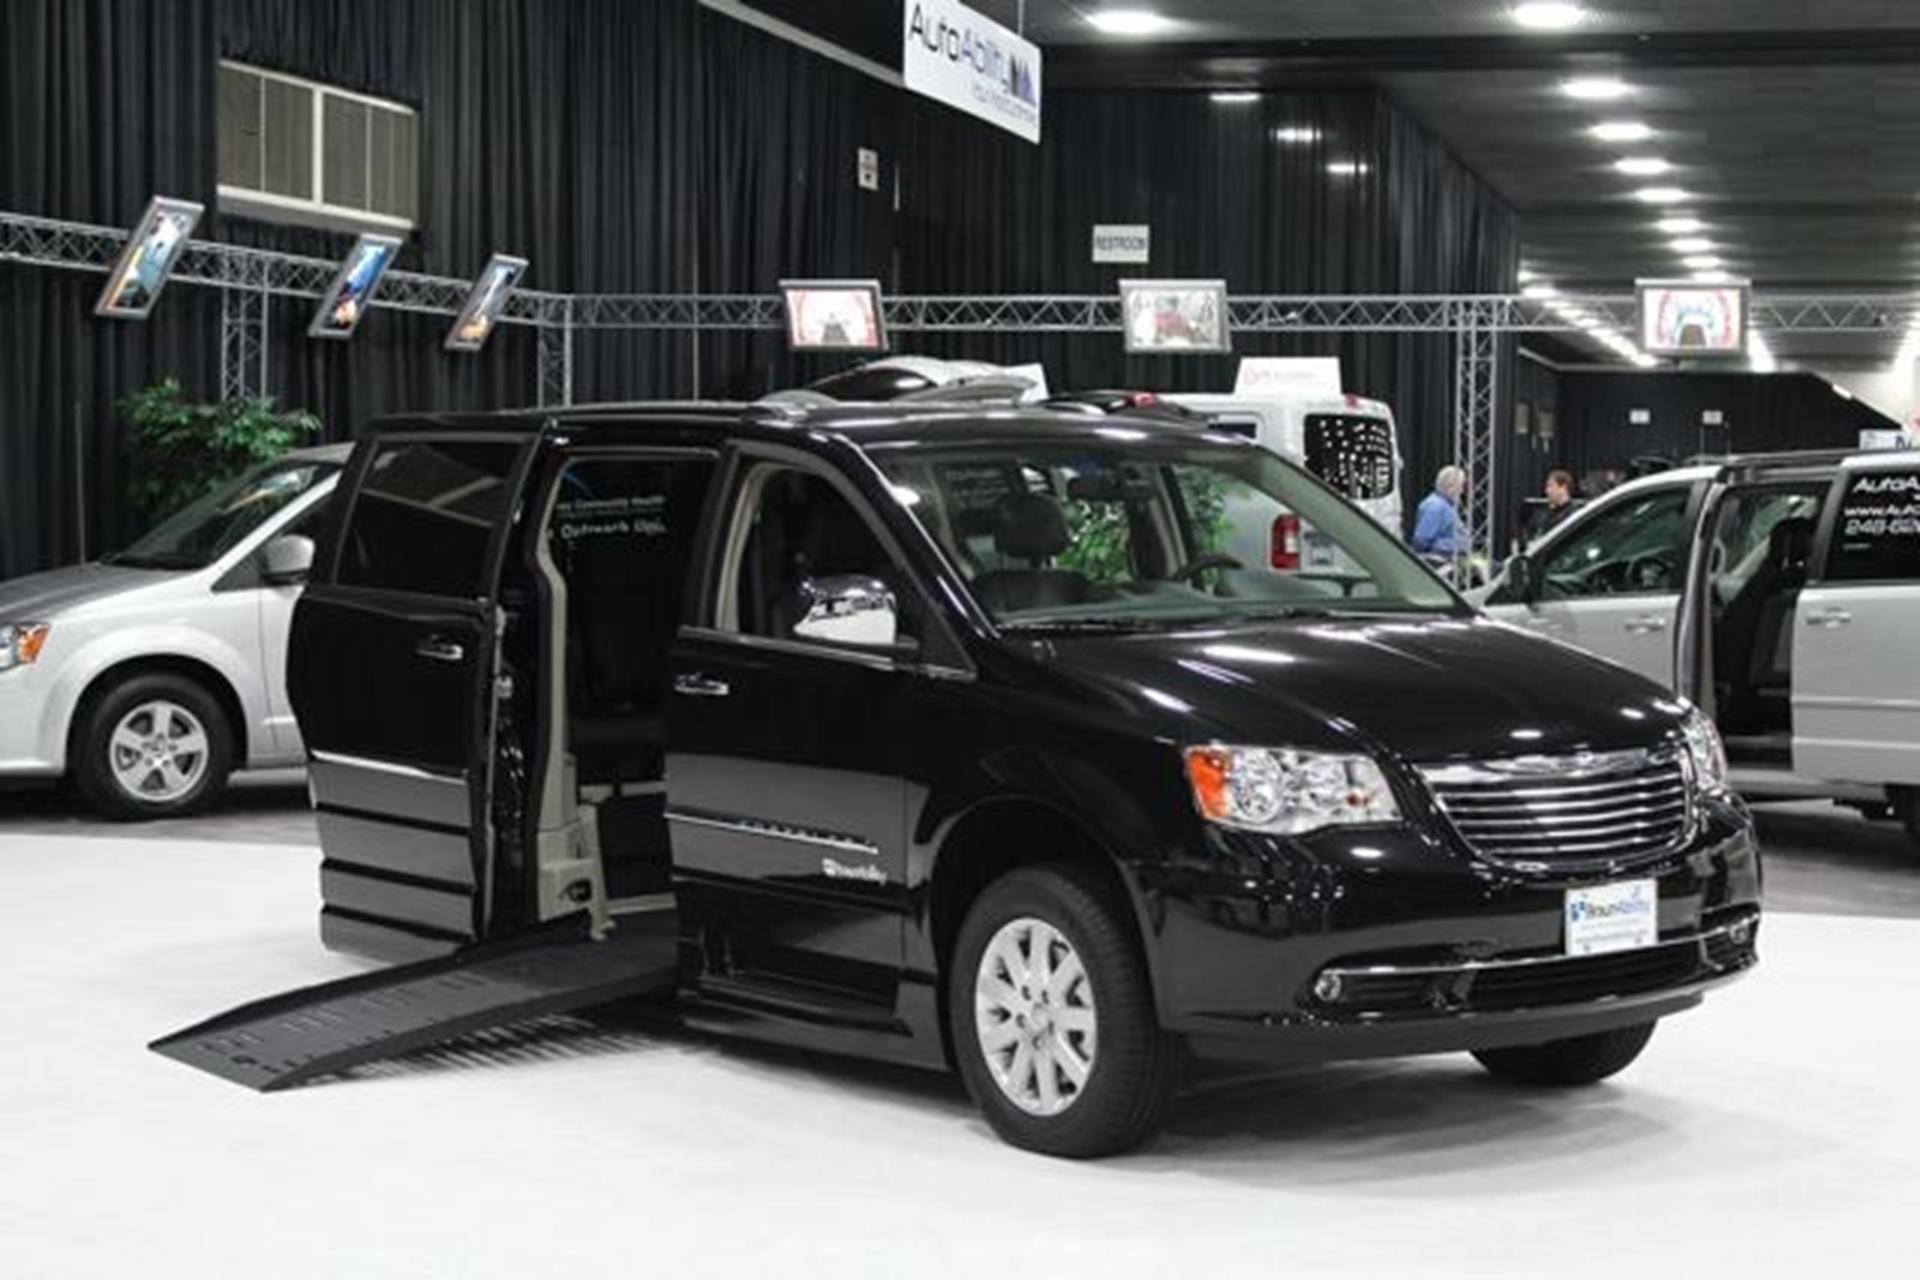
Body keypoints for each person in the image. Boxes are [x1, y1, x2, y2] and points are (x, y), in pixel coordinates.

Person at [1411, 465, 1468, 561]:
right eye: (1461, 486)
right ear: (1450, 486)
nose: (1462, 491)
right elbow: (1421, 542)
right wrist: (1452, 545)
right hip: (1441, 563)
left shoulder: (1445, 505)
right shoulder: (1435, 507)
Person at [1537, 469, 1577, 540]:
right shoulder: (1548, 514)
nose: (1547, 491)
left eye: (1551, 486)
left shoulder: (1572, 515)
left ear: (1563, 488)